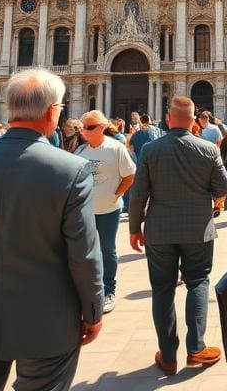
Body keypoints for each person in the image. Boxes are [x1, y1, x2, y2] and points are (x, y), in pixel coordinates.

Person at [0, 69, 104, 390]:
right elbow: (84, 254)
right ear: (53, 111)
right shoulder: (71, 169)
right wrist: (92, 310)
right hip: (49, 318)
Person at [129, 95, 227, 375]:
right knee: (197, 282)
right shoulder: (208, 149)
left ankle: (168, 354)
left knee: (162, 290)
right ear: (193, 122)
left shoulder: (150, 149)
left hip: (159, 231)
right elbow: (225, 185)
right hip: (198, 230)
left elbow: (138, 194)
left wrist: (134, 228)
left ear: (169, 119)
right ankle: (196, 348)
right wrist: (216, 200)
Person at [76, 110, 137, 314]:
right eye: (83, 127)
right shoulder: (80, 151)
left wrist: (116, 194)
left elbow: (130, 176)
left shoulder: (116, 148)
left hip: (109, 209)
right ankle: (90, 290)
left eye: (90, 127)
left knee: (107, 249)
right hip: (85, 210)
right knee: (86, 251)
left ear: (102, 127)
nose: (84, 131)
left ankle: (109, 290)